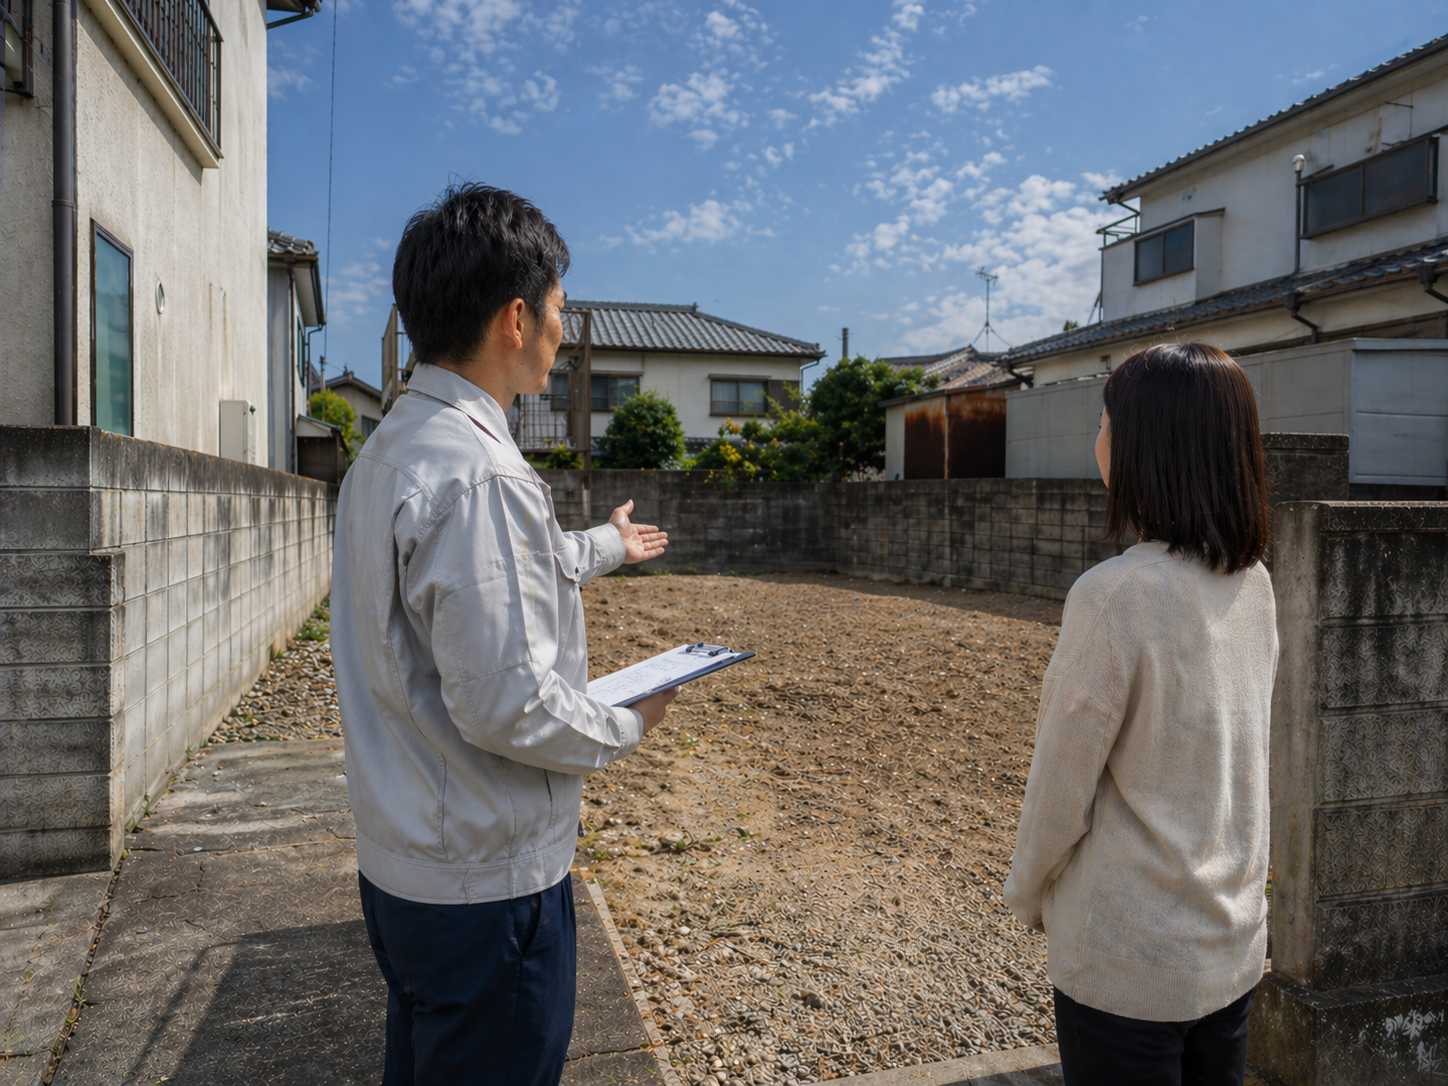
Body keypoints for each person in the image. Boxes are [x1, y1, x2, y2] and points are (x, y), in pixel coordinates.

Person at [330, 183, 677, 1086]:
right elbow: (508, 704)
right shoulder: (481, 475)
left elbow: (491, 583)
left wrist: (604, 545)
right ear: (516, 318)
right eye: (559, 309)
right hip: (485, 885)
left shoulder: (389, 454)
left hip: (406, 861)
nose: (563, 333)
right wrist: (631, 717)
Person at [1003, 343, 1277, 1086]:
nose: (1098, 438)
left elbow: (1060, 786)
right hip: (1230, 941)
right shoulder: (1253, 584)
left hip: (1126, 957)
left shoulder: (1114, 595)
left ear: (1144, 449)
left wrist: (1029, 893)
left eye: (1105, 421)